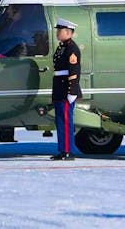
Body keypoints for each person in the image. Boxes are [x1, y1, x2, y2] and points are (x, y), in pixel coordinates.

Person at [51, 18, 82, 161]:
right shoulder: (62, 47)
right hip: (59, 87)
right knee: (60, 121)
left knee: (66, 121)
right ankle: (63, 149)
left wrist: (72, 91)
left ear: (68, 32)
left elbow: (74, 72)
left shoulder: (71, 49)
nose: (57, 33)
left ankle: (68, 151)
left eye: (60, 30)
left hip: (66, 89)